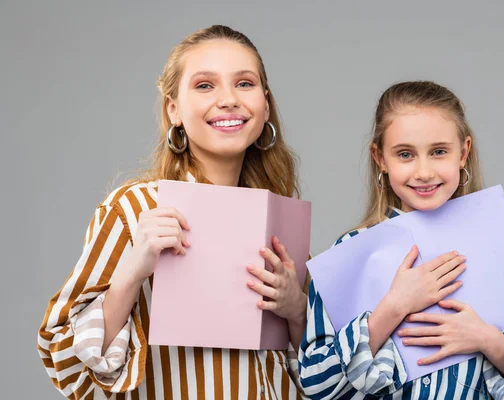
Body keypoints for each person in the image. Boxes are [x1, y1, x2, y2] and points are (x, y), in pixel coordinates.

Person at [38, 25, 308, 399]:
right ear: (173, 109)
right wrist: (132, 272)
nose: (228, 99)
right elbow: (64, 360)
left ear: (265, 104)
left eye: (244, 83)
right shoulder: (133, 209)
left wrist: (298, 311)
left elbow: (320, 378)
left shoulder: (281, 220)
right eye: (204, 85)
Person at [298, 81, 504, 399]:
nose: (424, 171)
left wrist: (489, 340)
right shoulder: (349, 256)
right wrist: (393, 307)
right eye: (405, 154)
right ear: (380, 159)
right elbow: (317, 384)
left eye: (439, 151)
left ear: (464, 152)